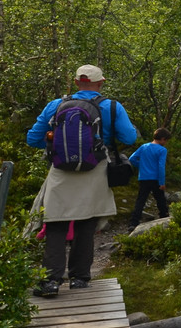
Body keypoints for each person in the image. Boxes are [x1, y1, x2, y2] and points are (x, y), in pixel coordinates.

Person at [26, 64, 137, 297]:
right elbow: (129, 136)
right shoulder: (111, 106)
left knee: (56, 223)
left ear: (76, 82)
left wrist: (58, 145)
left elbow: (32, 139)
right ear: (101, 83)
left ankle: (50, 281)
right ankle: (79, 279)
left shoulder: (56, 105)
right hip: (94, 171)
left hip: (60, 172)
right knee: (86, 223)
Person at [127, 128, 172, 232]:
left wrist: (142, 166)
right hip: (155, 178)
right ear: (162, 139)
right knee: (160, 199)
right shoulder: (162, 150)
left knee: (141, 200)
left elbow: (131, 159)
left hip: (143, 178)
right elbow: (161, 166)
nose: (165, 143)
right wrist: (162, 182)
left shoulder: (144, 147)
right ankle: (164, 218)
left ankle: (133, 223)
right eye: (166, 140)